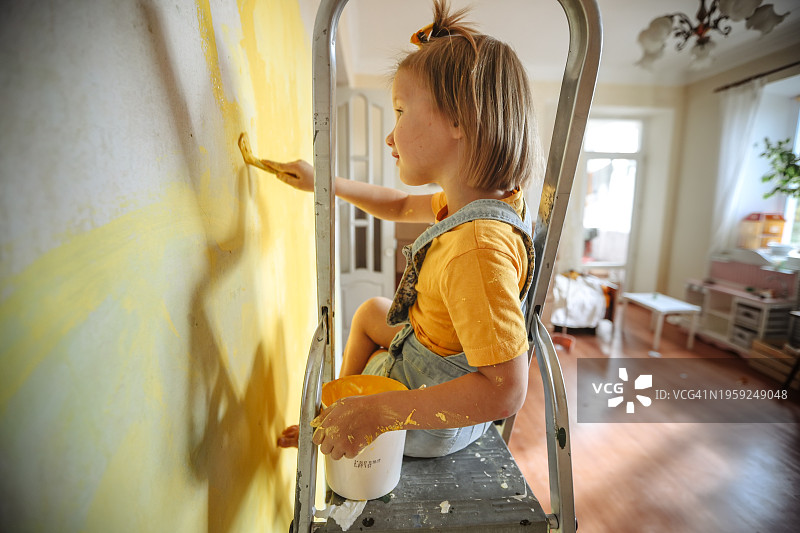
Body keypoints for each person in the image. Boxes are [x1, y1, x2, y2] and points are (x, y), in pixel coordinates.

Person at [272, 0, 543, 461]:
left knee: (373, 346)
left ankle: (342, 417)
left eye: (399, 111)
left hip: (438, 418)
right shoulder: (479, 204)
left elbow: (505, 391)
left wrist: (380, 411)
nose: (389, 136)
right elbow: (397, 206)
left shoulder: (476, 248)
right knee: (369, 312)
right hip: (431, 351)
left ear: (460, 118)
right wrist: (325, 182)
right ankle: (331, 409)